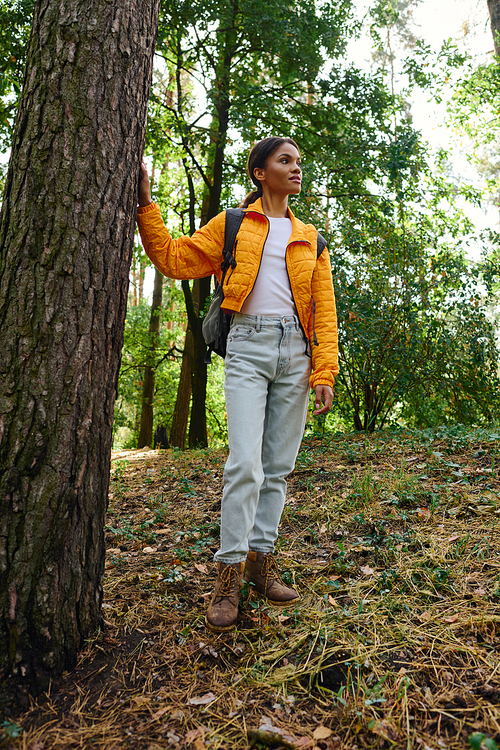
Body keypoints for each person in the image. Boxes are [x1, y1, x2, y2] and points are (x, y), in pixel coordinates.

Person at [136, 136, 338, 632]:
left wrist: (324, 371)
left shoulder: (310, 237)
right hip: (247, 346)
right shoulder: (232, 225)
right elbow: (175, 259)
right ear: (259, 172)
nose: (295, 168)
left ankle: (259, 564)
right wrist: (145, 204)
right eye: (283, 160)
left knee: (278, 468)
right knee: (245, 463)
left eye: (297, 160)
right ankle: (226, 575)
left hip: (295, 352)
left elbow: (325, 309)